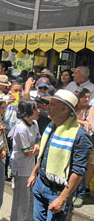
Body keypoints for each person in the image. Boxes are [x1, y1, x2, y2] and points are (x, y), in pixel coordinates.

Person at [27, 89, 93, 220]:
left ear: (64, 109)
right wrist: (34, 173)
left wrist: (62, 198)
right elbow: (45, 154)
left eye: (53, 104)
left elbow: (78, 171)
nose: (48, 107)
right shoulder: (51, 127)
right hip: (41, 184)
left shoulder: (80, 136)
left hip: (58, 192)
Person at [9, 99, 40, 221]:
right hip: (21, 168)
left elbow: (39, 141)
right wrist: (37, 148)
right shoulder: (21, 128)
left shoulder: (35, 123)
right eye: (35, 109)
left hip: (31, 167)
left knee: (30, 198)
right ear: (27, 112)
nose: (38, 111)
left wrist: (37, 147)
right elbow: (27, 152)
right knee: (21, 200)